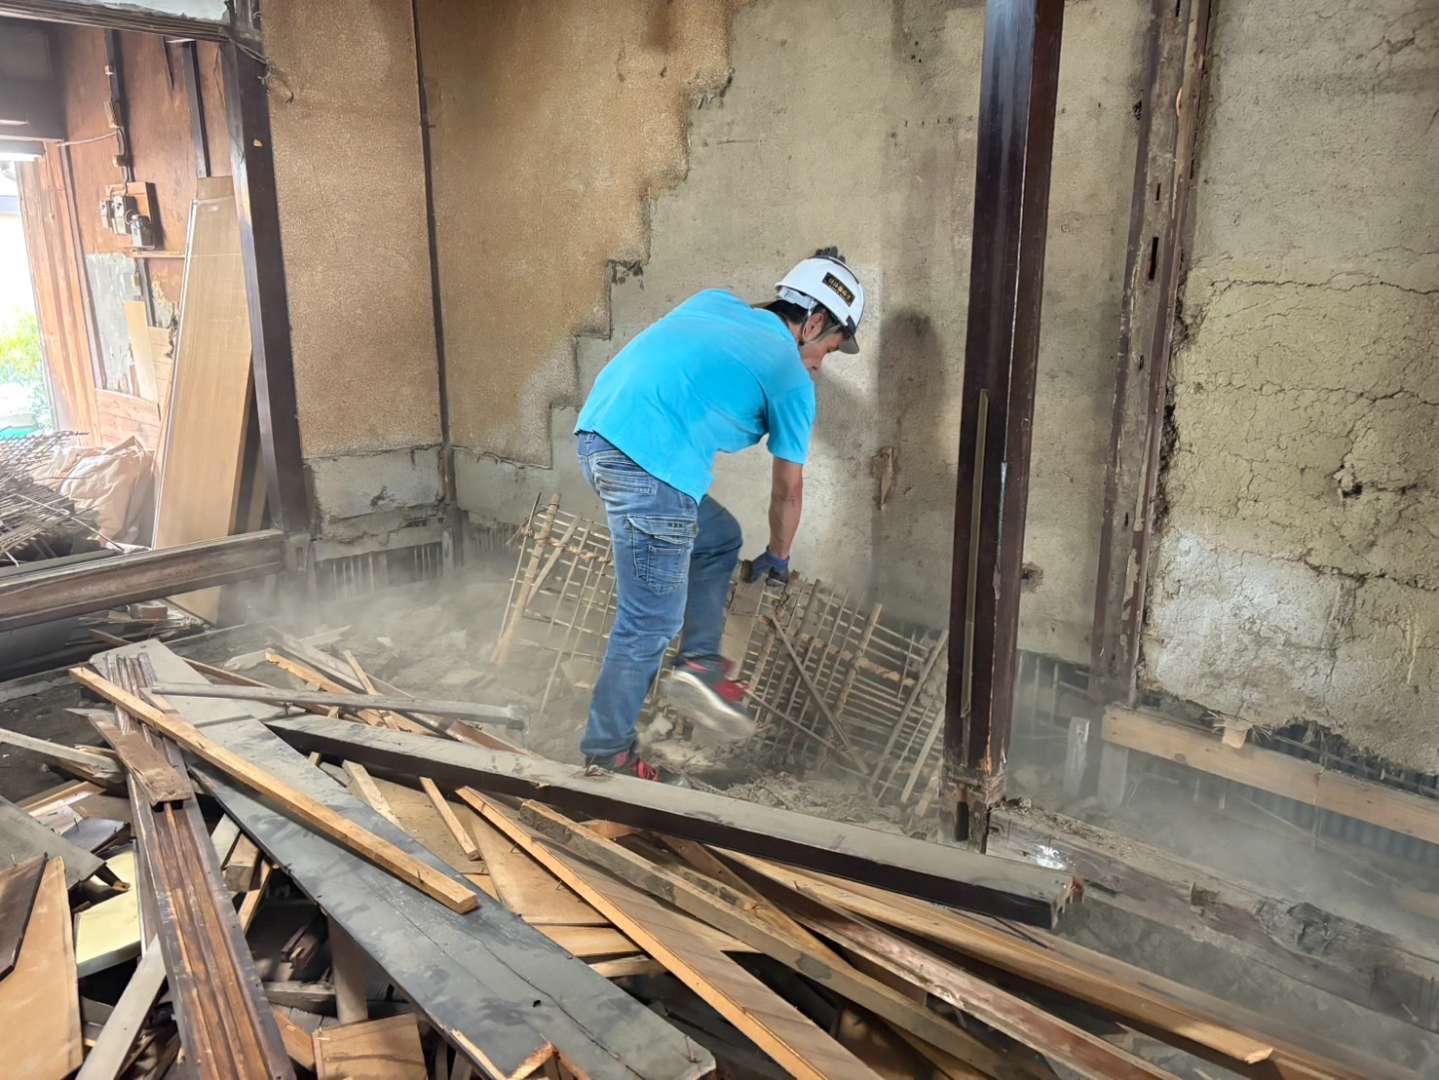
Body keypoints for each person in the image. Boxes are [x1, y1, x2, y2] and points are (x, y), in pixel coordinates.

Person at [572, 249, 866, 779]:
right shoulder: (791, 378)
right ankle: (608, 755)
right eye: (828, 348)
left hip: (597, 439)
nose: (821, 364)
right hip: (653, 471)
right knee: (649, 621)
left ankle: (701, 662)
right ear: (813, 323)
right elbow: (788, 491)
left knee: (717, 536)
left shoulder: (711, 302)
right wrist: (779, 556)